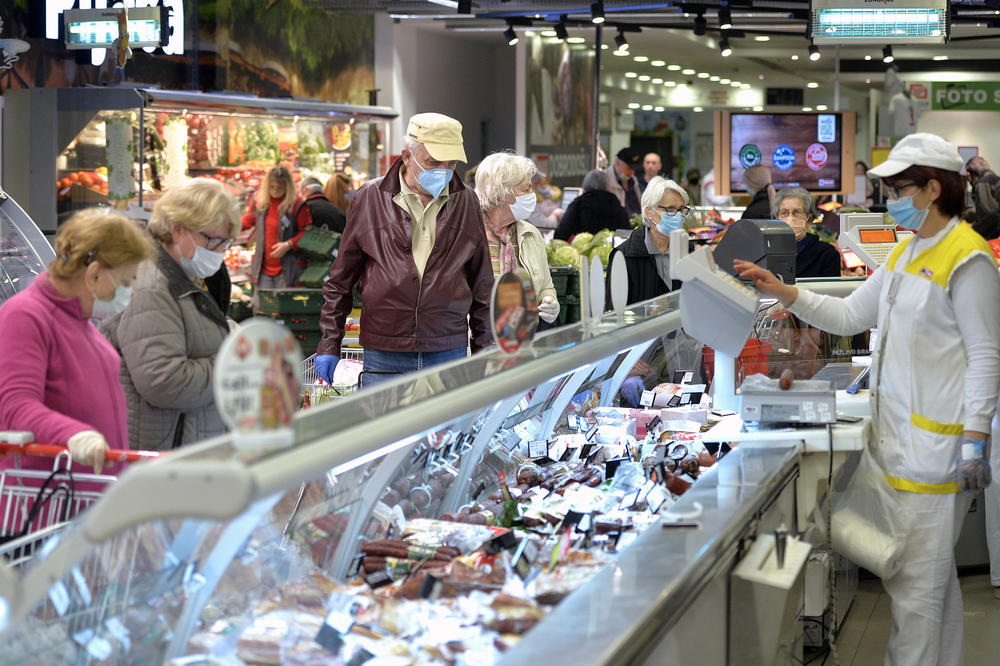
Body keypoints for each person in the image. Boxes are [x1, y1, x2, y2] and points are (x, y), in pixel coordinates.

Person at [736, 133, 1000, 666]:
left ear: (933, 188)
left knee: (915, 595)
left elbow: (987, 356)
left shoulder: (968, 259)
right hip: (902, 446)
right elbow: (851, 314)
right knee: (933, 589)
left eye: (900, 187)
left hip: (937, 453)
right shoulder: (908, 251)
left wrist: (975, 440)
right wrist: (784, 292)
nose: (890, 198)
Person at [313, 113, 494, 387]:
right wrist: (329, 343)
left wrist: (483, 350)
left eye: (452, 163)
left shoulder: (466, 202)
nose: (444, 171)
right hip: (385, 347)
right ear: (407, 156)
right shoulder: (369, 198)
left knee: (447, 429)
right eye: (433, 162)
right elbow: (340, 281)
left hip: (447, 346)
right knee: (387, 429)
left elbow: (482, 284)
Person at [0, 209, 154, 493]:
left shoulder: (83, 322)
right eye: (125, 282)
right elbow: (15, 406)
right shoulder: (25, 316)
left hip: (90, 502)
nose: (128, 293)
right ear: (94, 274)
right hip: (48, 508)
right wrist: (73, 434)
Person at [101, 179, 240, 450]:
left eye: (227, 242)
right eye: (214, 241)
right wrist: (232, 364)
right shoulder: (151, 286)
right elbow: (164, 381)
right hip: (164, 457)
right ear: (178, 230)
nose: (221, 252)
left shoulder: (184, 276)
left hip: (186, 449)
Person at [608, 177, 691, 407]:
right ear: (650, 212)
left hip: (679, 361)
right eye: (671, 209)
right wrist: (624, 365)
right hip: (639, 365)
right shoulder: (624, 256)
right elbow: (612, 318)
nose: (679, 215)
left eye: (682, 209)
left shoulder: (687, 250)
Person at [475, 152, 560, 327]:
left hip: (525, 340)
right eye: (526, 189)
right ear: (501, 194)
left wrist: (550, 302)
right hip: (479, 343)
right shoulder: (469, 235)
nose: (532, 194)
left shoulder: (531, 235)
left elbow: (546, 286)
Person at [241, 164, 312, 292]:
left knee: (283, 308)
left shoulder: (297, 205)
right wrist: (231, 226)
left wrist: (289, 244)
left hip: (288, 271)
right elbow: (248, 220)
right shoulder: (259, 201)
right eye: (272, 187)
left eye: (280, 187)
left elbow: (307, 233)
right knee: (262, 307)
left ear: (287, 186)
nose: (275, 190)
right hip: (263, 270)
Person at [772, 187, 840, 278]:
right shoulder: (764, 253)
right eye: (784, 213)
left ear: (809, 219)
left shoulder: (827, 255)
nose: (790, 218)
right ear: (776, 218)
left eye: (797, 212)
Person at [553, 169, 630, 241]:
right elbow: (627, 237)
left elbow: (560, 235)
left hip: (584, 253)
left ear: (585, 185)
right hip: (613, 254)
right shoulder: (618, 207)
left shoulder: (578, 205)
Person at [965, 156, 1000, 241]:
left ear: (971, 174)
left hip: (993, 237)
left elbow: (989, 214)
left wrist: (973, 229)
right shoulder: (996, 179)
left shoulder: (982, 182)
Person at [606, 147, 643, 217]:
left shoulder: (633, 180)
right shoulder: (605, 179)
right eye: (629, 168)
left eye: (634, 169)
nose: (632, 172)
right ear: (617, 164)